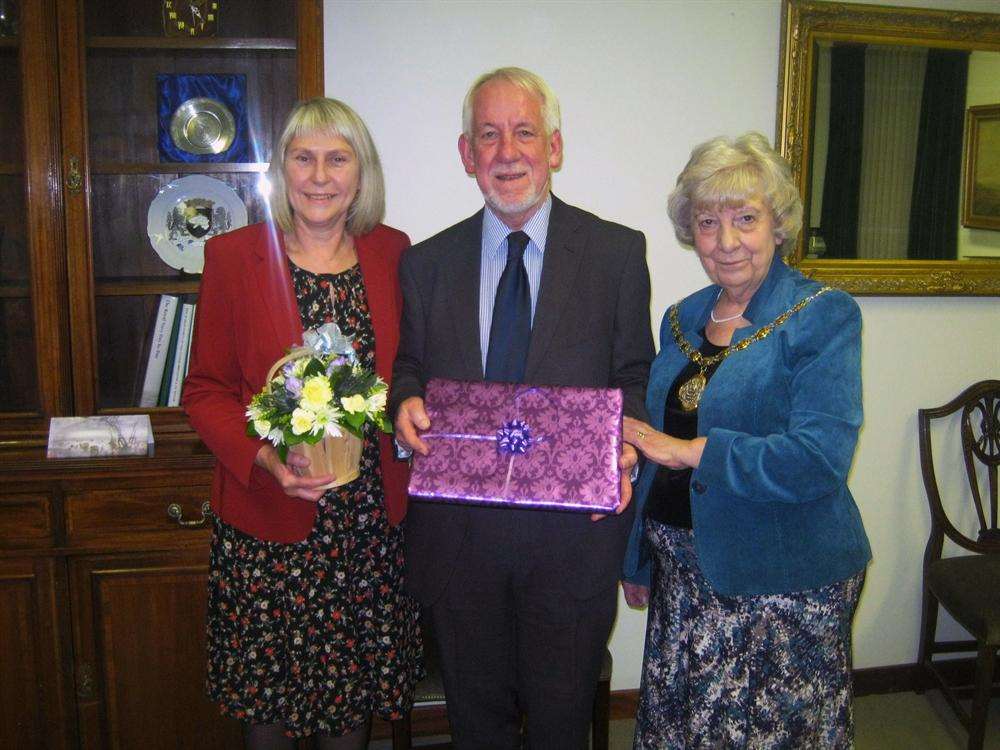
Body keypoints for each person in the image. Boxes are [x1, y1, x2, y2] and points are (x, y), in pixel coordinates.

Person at [391, 67, 654, 749]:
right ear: (466, 154)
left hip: (570, 543)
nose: (507, 152)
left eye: (525, 132)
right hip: (460, 542)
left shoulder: (617, 254)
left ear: (555, 147)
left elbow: (634, 376)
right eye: (489, 135)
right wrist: (405, 404)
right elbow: (409, 369)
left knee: (561, 724)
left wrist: (621, 445)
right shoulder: (426, 264)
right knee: (475, 724)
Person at [183, 97, 422, 750]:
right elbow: (204, 390)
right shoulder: (234, 258)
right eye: (304, 158)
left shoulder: (394, 253)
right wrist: (264, 458)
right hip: (268, 522)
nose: (320, 176)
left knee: (350, 705)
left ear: (360, 172)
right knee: (268, 707)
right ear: (282, 172)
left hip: (366, 528)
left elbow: (411, 372)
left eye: (337, 159)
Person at [621, 132, 872, 749]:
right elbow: (657, 440)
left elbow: (819, 459)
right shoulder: (680, 318)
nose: (726, 241)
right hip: (684, 578)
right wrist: (639, 557)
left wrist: (695, 453)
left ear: (778, 225)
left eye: (745, 219)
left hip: (783, 581)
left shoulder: (822, 314)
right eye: (708, 222)